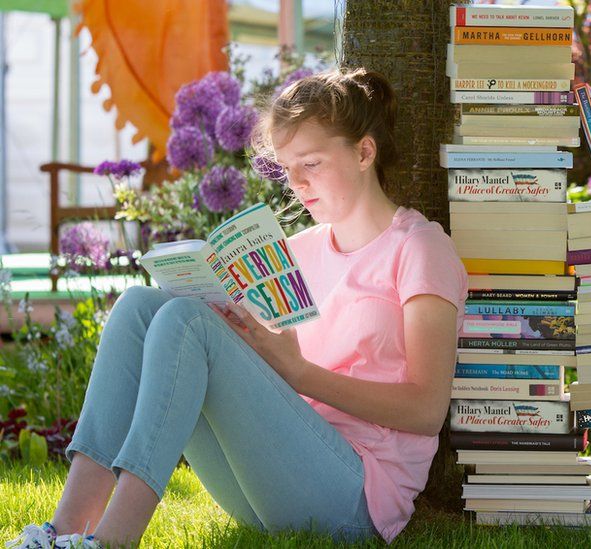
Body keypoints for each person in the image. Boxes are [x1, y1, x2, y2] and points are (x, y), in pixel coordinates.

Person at [6, 67, 467, 548]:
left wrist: (301, 374)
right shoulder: (298, 251)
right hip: (271, 478)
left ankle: (112, 541)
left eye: (311, 163)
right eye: (288, 170)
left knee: (188, 323)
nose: (298, 184)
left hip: (356, 496)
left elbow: (427, 409)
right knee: (140, 306)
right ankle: (61, 532)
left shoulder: (419, 248)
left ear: (364, 152)